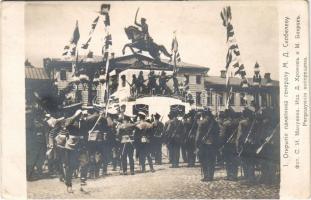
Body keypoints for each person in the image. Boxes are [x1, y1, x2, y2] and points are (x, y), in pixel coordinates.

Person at [195, 109, 219, 182]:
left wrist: (196, 145)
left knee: (204, 160)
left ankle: (206, 176)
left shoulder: (202, 123)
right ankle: (211, 176)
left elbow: (198, 135)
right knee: (212, 160)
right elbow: (217, 134)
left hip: (204, 144)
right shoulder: (215, 122)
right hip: (213, 144)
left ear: (204, 115)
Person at [236, 107, 257, 184]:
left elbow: (239, 135)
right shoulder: (255, 122)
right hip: (253, 144)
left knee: (245, 161)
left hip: (244, 144)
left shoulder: (242, 123)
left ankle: (248, 178)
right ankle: (252, 177)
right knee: (252, 161)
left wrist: (238, 146)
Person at [219, 108, 239, 181]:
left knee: (228, 160)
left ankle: (229, 175)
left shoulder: (226, 124)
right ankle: (234, 175)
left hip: (227, 144)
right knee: (234, 160)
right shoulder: (237, 123)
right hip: (235, 144)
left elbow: (222, 135)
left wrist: (221, 144)